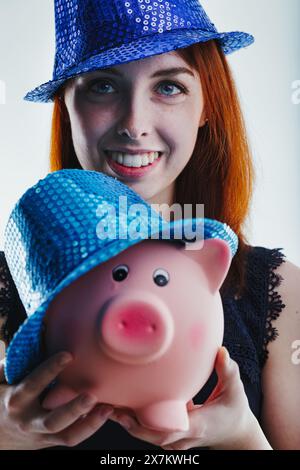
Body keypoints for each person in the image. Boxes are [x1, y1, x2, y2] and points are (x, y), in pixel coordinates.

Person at [0, 0, 299, 450]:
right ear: (67, 104)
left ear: (206, 105)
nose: (134, 124)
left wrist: (241, 436)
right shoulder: (4, 289)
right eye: (102, 85)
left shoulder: (280, 291)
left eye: (169, 87)